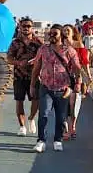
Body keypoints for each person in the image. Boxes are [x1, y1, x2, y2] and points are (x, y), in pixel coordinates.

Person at [30, 24, 78, 153]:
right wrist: (32, 85)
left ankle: (57, 140)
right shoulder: (43, 49)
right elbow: (36, 67)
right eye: (50, 33)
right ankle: (41, 141)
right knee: (44, 114)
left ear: (61, 35)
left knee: (61, 117)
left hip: (63, 89)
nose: (51, 36)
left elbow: (77, 69)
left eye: (54, 34)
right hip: (46, 87)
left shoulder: (69, 51)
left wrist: (76, 85)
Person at [6, 17, 43, 135]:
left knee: (36, 100)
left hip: (34, 75)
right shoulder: (15, 42)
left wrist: (37, 61)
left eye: (28, 26)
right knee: (19, 101)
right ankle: (22, 126)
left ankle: (31, 118)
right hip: (19, 76)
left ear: (32, 28)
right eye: (24, 26)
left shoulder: (38, 42)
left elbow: (44, 56)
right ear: (20, 28)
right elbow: (9, 58)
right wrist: (18, 63)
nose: (26, 28)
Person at [67, 25, 92, 140]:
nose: (65, 32)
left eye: (68, 30)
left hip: (76, 78)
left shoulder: (79, 45)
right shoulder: (59, 46)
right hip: (61, 78)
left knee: (74, 102)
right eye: (64, 31)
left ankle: (73, 126)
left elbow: (85, 64)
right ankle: (66, 126)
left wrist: (89, 78)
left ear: (73, 33)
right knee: (65, 103)